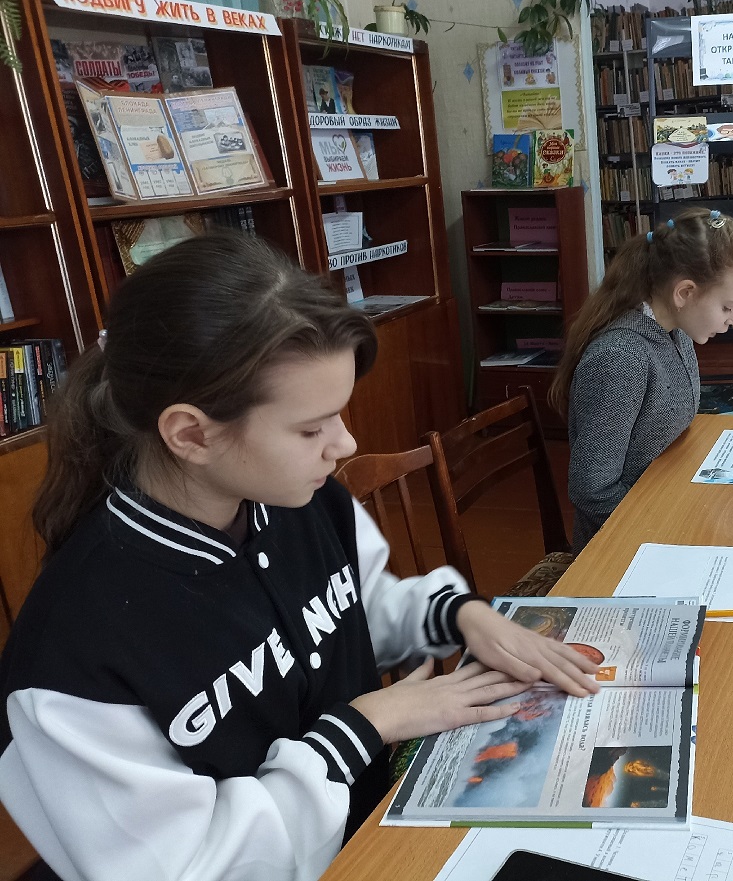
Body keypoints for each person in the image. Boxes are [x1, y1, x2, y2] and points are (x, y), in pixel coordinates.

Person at [0, 233, 600, 881]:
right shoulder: (71, 656)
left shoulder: (300, 499)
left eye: (339, 415)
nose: (345, 444)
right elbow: (189, 867)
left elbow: (356, 605)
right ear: (191, 434)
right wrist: (364, 725)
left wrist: (459, 616)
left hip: (376, 832)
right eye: (311, 428)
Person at [549, 207, 733, 552]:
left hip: (665, 506)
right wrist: (668, 528)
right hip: (622, 544)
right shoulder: (621, 359)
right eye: (727, 307)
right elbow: (593, 490)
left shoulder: (676, 331)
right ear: (685, 293)